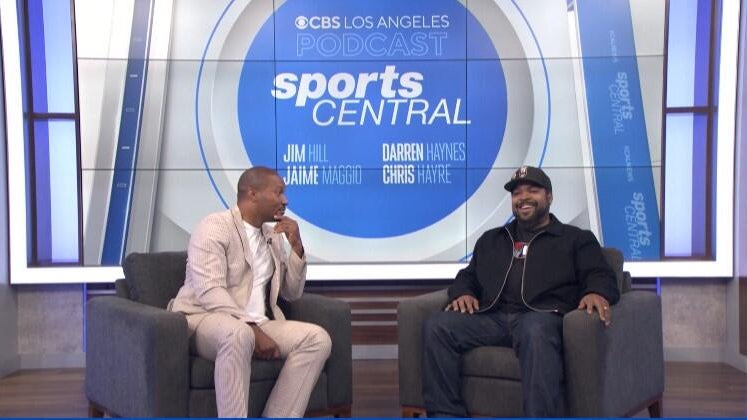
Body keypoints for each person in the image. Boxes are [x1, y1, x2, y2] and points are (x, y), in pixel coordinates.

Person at [422, 165, 620, 417]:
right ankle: (445, 415)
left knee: (534, 330)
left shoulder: (575, 239)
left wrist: (596, 292)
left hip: (542, 317)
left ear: (549, 197)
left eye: (532, 191)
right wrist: (463, 292)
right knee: (437, 326)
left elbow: (600, 274)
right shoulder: (493, 239)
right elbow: (468, 275)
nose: (523, 197)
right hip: (493, 317)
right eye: (517, 193)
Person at [168, 166, 331, 418]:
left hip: (259, 323)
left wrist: (296, 248)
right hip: (203, 318)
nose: (285, 200)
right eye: (278, 192)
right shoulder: (214, 227)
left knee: (317, 339)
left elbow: (291, 293)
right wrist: (251, 328)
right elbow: (210, 290)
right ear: (253, 194)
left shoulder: (273, 235)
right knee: (239, 334)